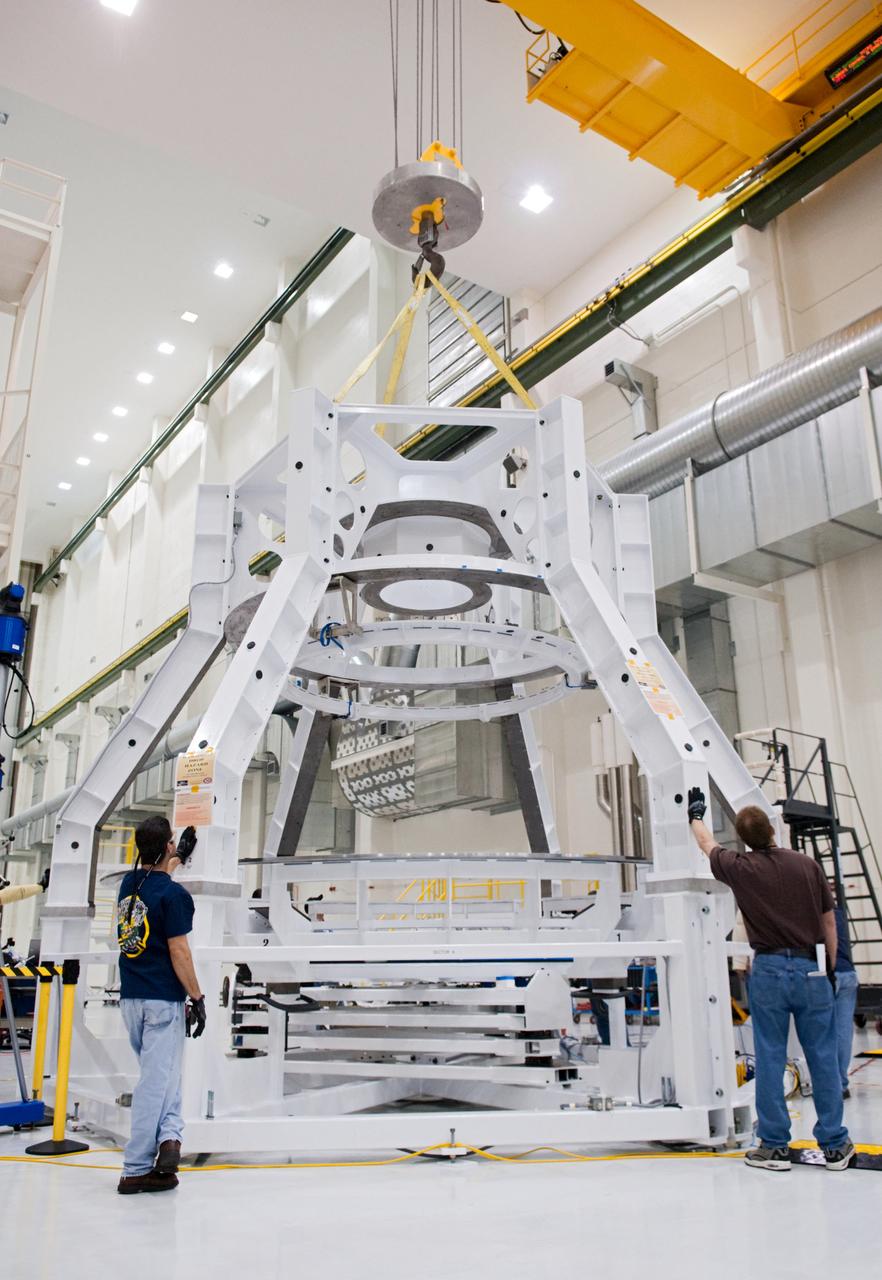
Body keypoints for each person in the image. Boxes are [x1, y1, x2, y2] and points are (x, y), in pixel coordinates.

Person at [687, 789, 854, 1172]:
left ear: (745, 839)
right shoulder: (807, 866)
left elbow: (706, 842)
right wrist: (828, 967)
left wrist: (695, 813)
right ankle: (834, 1145)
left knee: (770, 1054)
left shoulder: (740, 868)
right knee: (823, 1058)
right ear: (772, 831)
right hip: (811, 966)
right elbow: (829, 921)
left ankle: (775, 1147)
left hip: (770, 971)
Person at [116, 815, 206, 1195]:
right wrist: (198, 997)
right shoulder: (175, 897)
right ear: (167, 844)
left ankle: (169, 1143)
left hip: (130, 998)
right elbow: (179, 952)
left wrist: (178, 857)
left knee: (163, 1076)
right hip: (161, 1001)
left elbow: (158, 878)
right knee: (156, 1084)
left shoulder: (128, 884)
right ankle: (135, 1168)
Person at [831, 900, 859, 1098]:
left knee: (822, 1033)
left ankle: (829, 1084)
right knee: (843, 1031)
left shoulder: (811, 910)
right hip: (849, 973)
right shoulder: (837, 911)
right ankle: (841, 1084)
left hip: (829, 973)